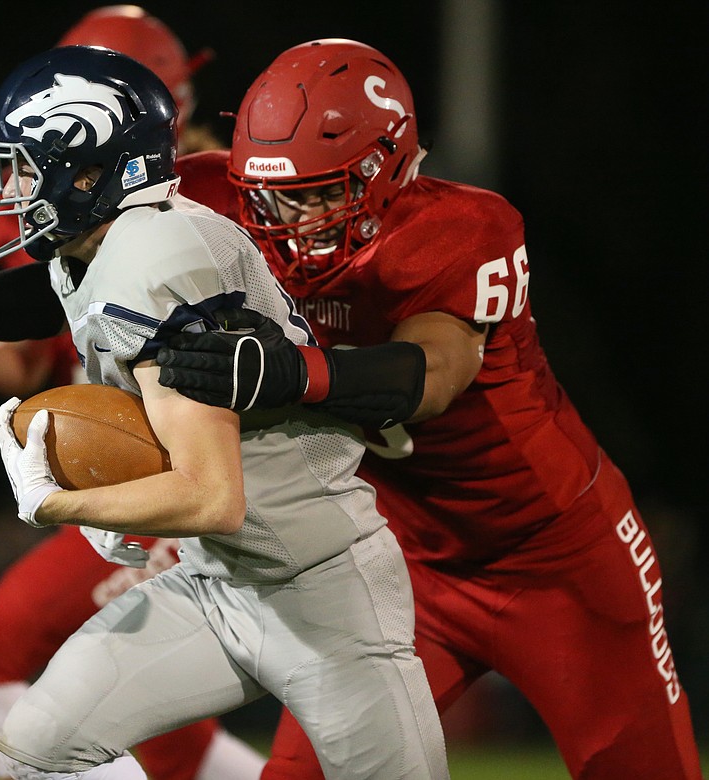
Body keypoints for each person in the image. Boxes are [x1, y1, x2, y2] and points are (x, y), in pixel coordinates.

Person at [0, 44, 449, 780]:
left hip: (321, 589)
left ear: (86, 172)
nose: (11, 187)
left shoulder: (157, 259)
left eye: (24, 165)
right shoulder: (102, 242)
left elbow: (211, 495)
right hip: (216, 585)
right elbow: (55, 297)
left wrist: (62, 504)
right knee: (39, 748)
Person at [153, 39, 704, 779]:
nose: (298, 219)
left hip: (557, 561)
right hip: (396, 563)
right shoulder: (217, 199)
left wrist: (288, 373)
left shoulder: (459, 230)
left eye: (325, 192)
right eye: (282, 195)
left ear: (389, 171)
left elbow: (432, 375)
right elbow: (88, 250)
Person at [0, 8, 254, 780]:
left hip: (210, 483)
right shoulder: (94, 210)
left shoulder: (208, 202)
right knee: (161, 730)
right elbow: (39, 356)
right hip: (147, 473)